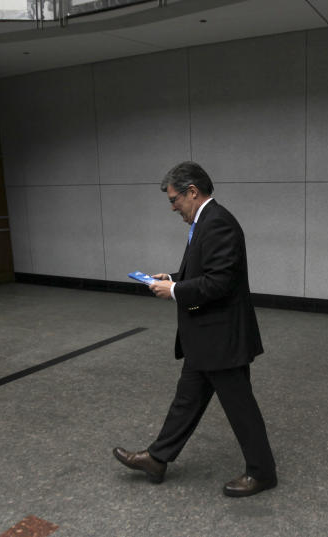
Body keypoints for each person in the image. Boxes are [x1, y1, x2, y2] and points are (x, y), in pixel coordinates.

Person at [112, 161, 277, 497]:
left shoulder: (218, 224)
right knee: (187, 400)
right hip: (206, 337)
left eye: (174, 200)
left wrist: (174, 292)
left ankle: (262, 473)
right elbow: (204, 270)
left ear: (192, 192)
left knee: (240, 406)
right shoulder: (205, 222)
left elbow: (219, 283)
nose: (172, 207)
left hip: (221, 338)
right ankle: (157, 459)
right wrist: (173, 278)